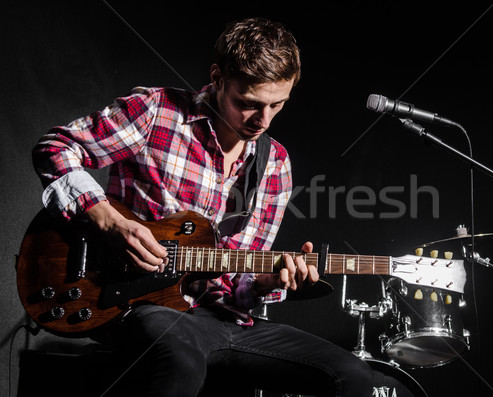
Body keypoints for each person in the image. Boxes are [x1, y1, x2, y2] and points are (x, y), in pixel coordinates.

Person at [32, 17, 377, 396]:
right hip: (137, 304)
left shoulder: (275, 162)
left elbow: (239, 284)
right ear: (217, 77)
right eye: (248, 104)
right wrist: (111, 222)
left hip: (221, 319)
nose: (262, 120)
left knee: (353, 376)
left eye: (277, 104)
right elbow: (55, 149)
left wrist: (267, 281)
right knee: (180, 357)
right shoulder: (157, 111)